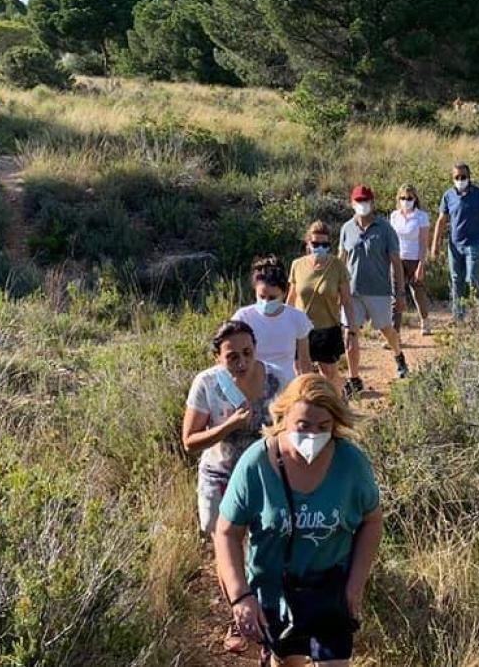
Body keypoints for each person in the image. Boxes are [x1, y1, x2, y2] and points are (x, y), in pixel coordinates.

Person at [215, 374, 383, 667]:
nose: (313, 434)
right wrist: (241, 596)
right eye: (303, 425)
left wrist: (355, 584)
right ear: (284, 418)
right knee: (287, 661)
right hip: (275, 593)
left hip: (330, 589)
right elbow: (227, 533)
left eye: (323, 427)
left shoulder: (351, 463)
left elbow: (372, 520)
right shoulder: (256, 465)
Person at [182, 320, 289, 654]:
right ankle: (239, 619)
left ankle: (269, 614)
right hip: (219, 474)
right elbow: (189, 441)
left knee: (260, 547)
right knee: (226, 544)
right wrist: (227, 425)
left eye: (247, 352)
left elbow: (291, 427)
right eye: (232, 357)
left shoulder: (276, 379)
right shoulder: (207, 383)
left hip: (264, 476)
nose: (241, 362)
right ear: (218, 358)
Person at [339, 185, 409, 394]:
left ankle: (399, 355)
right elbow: (341, 260)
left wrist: (400, 293)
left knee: (386, 329)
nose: (362, 205)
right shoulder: (346, 229)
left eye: (365, 200)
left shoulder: (385, 229)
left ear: (373, 202)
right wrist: (335, 290)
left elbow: (396, 263)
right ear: (352, 203)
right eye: (358, 201)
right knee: (350, 333)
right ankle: (354, 378)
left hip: (379, 291)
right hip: (352, 293)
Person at [288, 221, 357, 394]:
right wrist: (282, 324)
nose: (320, 247)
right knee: (301, 375)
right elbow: (292, 297)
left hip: (328, 328)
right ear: (308, 244)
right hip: (301, 330)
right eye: (316, 244)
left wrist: (352, 328)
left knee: (329, 375)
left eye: (325, 244)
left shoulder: (337, 266)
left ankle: (335, 406)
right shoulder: (297, 265)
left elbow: (347, 301)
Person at [430, 163, 479, 323]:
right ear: (452, 178)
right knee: (456, 279)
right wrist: (435, 244)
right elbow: (442, 220)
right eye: (457, 177)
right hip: (455, 245)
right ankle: (458, 316)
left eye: (463, 177)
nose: (460, 180)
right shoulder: (448, 196)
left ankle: (476, 315)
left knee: (473, 279)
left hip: (474, 243)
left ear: (469, 177)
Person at [233, 257, 314, 385]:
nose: (266, 302)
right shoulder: (243, 318)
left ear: (284, 293)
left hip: (286, 388)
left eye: (272, 298)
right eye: (262, 297)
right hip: (253, 387)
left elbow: (304, 362)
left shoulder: (297, 318)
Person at [389, 185, 433, 335]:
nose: (406, 201)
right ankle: (395, 331)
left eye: (409, 198)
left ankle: (425, 320)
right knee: (396, 294)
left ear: (415, 199)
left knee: (418, 292)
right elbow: (391, 239)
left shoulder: (421, 216)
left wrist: (421, 263)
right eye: (403, 198)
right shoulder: (394, 216)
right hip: (397, 259)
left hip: (414, 259)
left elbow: (423, 242)